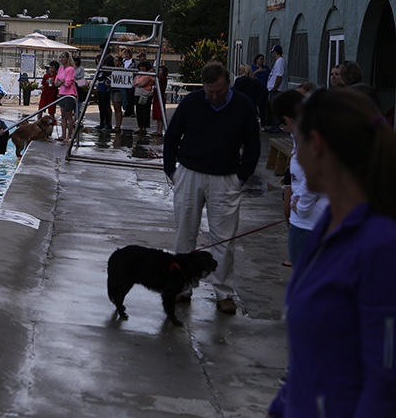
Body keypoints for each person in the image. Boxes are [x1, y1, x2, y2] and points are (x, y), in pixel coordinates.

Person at [267, 88, 396, 418]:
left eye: (298, 145)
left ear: (317, 146)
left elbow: (385, 387)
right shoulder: (327, 225)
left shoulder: (381, 247)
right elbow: (309, 361)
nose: (295, 156)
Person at [163, 62, 261, 315]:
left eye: (219, 91)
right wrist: (171, 170)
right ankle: (183, 287)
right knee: (185, 235)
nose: (214, 96)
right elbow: (172, 134)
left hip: (226, 177)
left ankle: (224, 294)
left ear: (228, 83)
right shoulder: (192, 101)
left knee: (224, 240)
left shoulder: (243, 105)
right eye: (210, 92)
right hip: (189, 174)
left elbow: (252, 144)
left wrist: (241, 177)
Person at [271, 90, 329, 267]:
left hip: (308, 224)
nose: (285, 130)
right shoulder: (313, 134)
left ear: (288, 120)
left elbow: (317, 174)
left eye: (283, 126)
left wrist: (302, 206)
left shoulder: (310, 139)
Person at [54, 51, 77, 144]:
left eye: (63, 57)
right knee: (63, 115)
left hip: (69, 93)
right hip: (62, 93)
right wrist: (61, 82)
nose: (62, 59)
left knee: (68, 115)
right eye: (61, 57)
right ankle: (63, 134)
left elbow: (67, 83)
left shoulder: (70, 69)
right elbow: (56, 82)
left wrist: (62, 82)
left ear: (67, 58)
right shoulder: (60, 69)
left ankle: (69, 135)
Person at [264, 45, 288, 132]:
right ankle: (274, 125)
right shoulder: (279, 61)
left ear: (275, 52)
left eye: (273, 52)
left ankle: (276, 126)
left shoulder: (280, 61)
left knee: (276, 108)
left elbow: (279, 75)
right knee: (274, 108)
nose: (272, 54)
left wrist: (275, 87)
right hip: (275, 89)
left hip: (277, 90)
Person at [132, 60, 154, 135]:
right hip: (137, 94)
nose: (141, 68)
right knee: (138, 111)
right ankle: (140, 127)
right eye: (140, 66)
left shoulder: (148, 75)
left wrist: (137, 84)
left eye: (143, 66)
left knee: (145, 111)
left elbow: (143, 83)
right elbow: (133, 83)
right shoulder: (138, 75)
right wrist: (137, 84)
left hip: (145, 94)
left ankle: (144, 127)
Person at [251, 54, 271, 125]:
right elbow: (249, 75)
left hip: (263, 89)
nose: (262, 61)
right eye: (260, 59)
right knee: (253, 104)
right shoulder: (252, 67)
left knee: (262, 106)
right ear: (257, 60)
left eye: (263, 59)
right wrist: (257, 71)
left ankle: (263, 123)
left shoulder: (266, 68)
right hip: (254, 89)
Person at [94, 54, 112, 131]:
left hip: (105, 89)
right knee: (100, 106)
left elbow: (105, 76)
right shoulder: (99, 69)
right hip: (100, 88)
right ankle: (102, 122)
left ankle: (107, 123)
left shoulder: (106, 68)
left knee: (105, 106)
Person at [151, 65, 169, 137]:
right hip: (155, 98)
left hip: (160, 98)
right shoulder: (158, 78)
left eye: (160, 70)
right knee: (157, 116)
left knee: (160, 116)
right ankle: (158, 129)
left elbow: (154, 79)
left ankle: (160, 130)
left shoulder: (163, 78)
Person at [110, 54, 125, 133]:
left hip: (119, 90)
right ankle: (116, 124)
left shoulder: (122, 70)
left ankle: (118, 125)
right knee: (115, 108)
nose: (115, 62)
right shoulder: (114, 69)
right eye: (114, 61)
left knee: (118, 108)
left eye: (116, 61)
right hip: (113, 89)